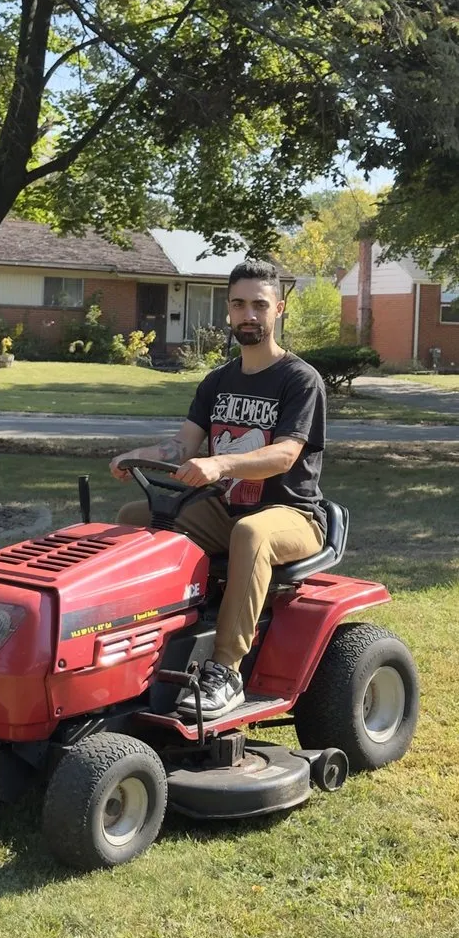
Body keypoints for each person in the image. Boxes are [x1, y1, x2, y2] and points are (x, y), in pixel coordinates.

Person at [110, 259, 327, 720]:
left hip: (292, 514)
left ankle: (226, 671)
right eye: (239, 305)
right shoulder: (218, 381)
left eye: (259, 305)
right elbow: (181, 445)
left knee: (252, 534)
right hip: (223, 509)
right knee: (133, 519)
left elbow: (285, 455)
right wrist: (137, 454)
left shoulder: (300, 379)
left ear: (279, 310)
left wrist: (220, 462)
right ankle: (138, 643)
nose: (248, 315)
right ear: (228, 311)